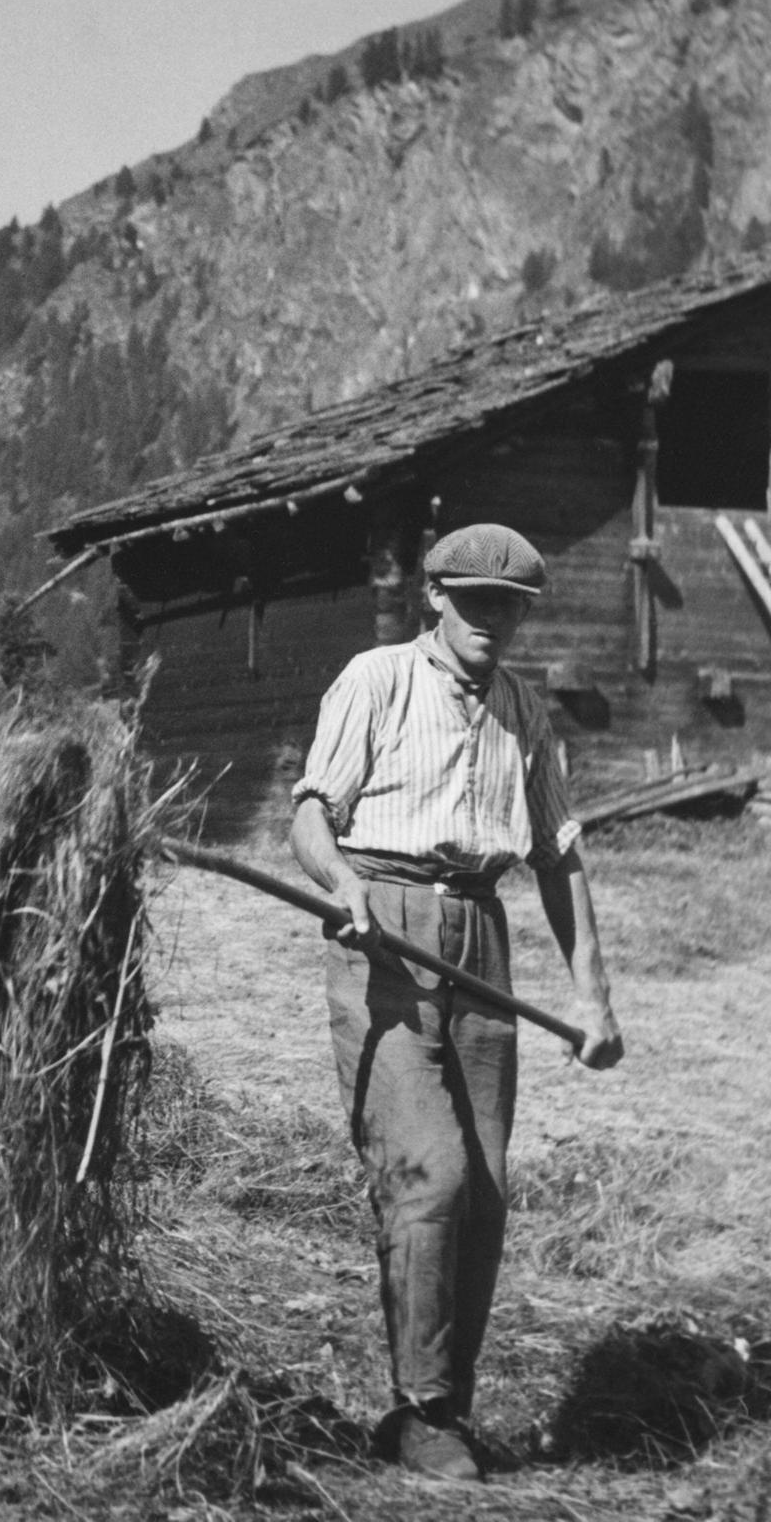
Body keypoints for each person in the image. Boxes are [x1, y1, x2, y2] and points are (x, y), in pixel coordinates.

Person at [290, 523, 622, 1483]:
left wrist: (593, 1001)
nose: (494, 619)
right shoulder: (378, 678)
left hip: (482, 936)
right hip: (382, 932)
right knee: (428, 1170)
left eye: (510, 605)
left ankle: (448, 1409)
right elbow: (313, 810)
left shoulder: (522, 709)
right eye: (476, 600)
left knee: (483, 1189)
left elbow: (558, 856)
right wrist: (342, 884)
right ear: (436, 596)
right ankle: (420, 1411)